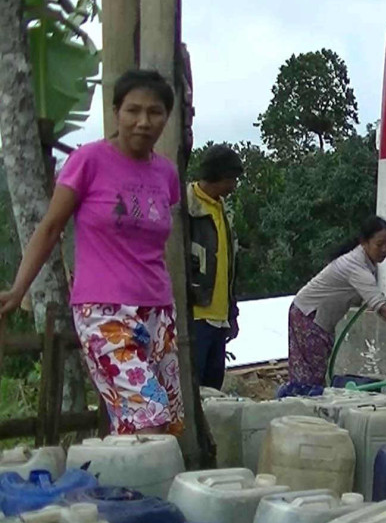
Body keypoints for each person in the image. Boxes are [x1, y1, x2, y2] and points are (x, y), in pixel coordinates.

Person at [0, 69, 184, 435]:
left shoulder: (166, 174)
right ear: (116, 111)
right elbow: (50, 228)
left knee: (159, 425)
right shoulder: (88, 161)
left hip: (157, 311)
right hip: (103, 311)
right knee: (148, 415)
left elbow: (156, 242)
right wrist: (19, 289)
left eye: (155, 112)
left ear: (166, 117)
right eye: (133, 110)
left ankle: (132, 491)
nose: (143, 121)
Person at [289, 216, 386, 386]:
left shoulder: (366, 265)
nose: (385, 249)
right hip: (307, 315)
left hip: (317, 317)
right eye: (380, 244)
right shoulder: (356, 266)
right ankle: (294, 401)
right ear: (364, 242)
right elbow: (381, 309)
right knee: (310, 377)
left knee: (315, 373)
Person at [188, 145, 243, 390]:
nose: (233, 186)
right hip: (196, 315)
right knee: (193, 387)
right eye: (231, 179)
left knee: (213, 388)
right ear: (217, 176)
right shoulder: (187, 207)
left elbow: (229, 266)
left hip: (219, 318)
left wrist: (232, 313)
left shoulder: (222, 209)